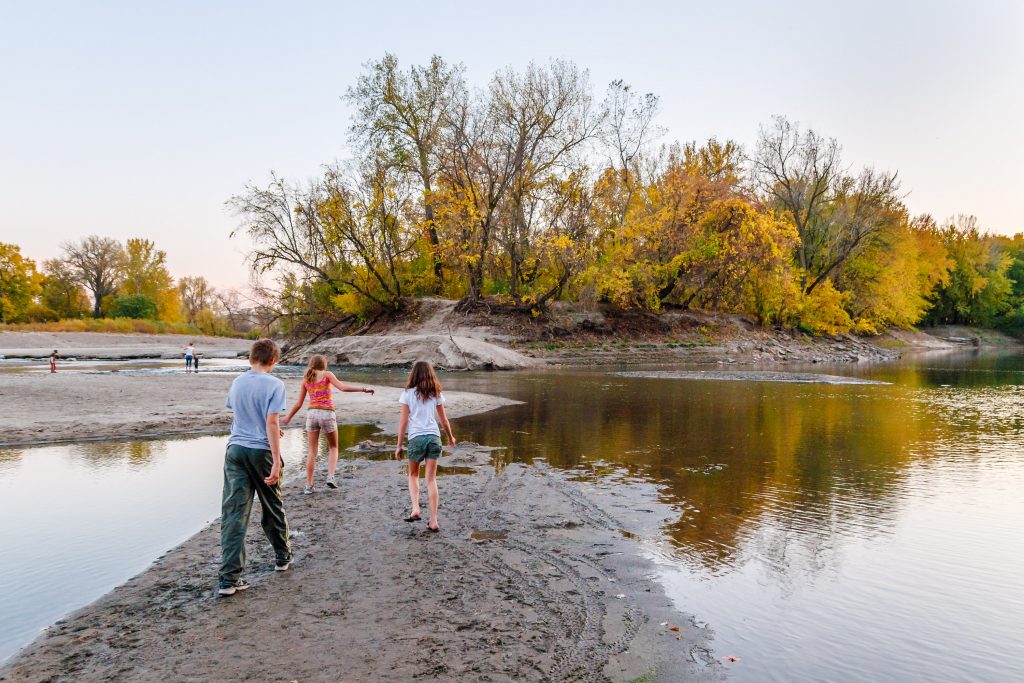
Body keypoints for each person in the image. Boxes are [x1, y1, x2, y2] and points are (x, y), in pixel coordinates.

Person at [218, 338, 292, 596]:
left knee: (234, 512)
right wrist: (276, 459)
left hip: (235, 450)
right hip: (261, 452)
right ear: (274, 360)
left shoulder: (238, 382)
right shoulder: (275, 384)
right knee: (272, 505)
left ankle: (228, 579)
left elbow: (242, 414)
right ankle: (282, 557)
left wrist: (268, 429)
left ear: (251, 359)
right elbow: (270, 423)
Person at [283, 354, 375, 494]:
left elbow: (299, 403)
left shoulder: (306, 379)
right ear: (324, 364)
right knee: (333, 447)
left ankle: (309, 486)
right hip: (327, 413)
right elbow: (343, 388)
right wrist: (363, 389)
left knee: (312, 451)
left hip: (312, 414)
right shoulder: (327, 375)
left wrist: (288, 417)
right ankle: (330, 476)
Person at [394, 360, 456, 532]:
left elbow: (404, 421)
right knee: (431, 479)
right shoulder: (436, 393)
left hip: (416, 439)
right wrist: (450, 437)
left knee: (413, 475)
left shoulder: (407, 394)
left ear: (413, 374)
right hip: (434, 438)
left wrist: (399, 445)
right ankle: (434, 520)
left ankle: (415, 509)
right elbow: (443, 419)